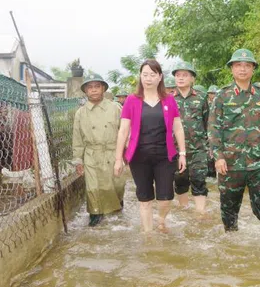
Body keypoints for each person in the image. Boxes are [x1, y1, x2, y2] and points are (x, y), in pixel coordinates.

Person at [208, 49, 260, 232]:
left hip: (259, 161)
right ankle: (232, 241)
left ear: (253, 69)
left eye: (247, 66)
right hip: (230, 163)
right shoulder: (222, 96)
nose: (242, 69)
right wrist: (218, 157)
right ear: (232, 68)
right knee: (229, 208)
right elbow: (213, 129)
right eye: (238, 65)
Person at [114, 59, 187, 233]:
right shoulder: (132, 100)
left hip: (165, 156)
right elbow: (123, 130)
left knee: (165, 198)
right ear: (140, 77)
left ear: (159, 77)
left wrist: (182, 153)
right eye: (145, 74)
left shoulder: (169, 100)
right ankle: (148, 234)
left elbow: (178, 127)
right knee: (144, 199)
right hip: (139, 156)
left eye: (152, 75)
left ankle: (161, 220)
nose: (148, 78)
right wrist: (118, 159)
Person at [73, 74, 125, 227]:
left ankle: (118, 202)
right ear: (85, 91)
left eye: (97, 86)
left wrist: (125, 153)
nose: (94, 90)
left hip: (112, 152)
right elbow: (77, 138)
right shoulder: (81, 113)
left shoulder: (116, 108)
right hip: (91, 154)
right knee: (93, 186)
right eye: (90, 87)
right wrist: (78, 160)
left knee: (117, 184)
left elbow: (125, 131)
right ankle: (95, 212)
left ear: (103, 89)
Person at [172, 62, 209, 214]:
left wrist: (210, 147)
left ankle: (200, 214)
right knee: (180, 182)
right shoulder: (169, 99)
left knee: (199, 181)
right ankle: (184, 211)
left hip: (198, 148)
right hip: (175, 149)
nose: (180, 78)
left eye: (185, 75)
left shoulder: (201, 98)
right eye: (178, 75)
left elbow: (208, 123)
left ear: (192, 78)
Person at [206, 85, 219, 178]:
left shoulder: (220, 103)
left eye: (214, 93)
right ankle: (210, 175)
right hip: (207, 132)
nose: (212, 95)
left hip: (217, 132)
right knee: (209, 156)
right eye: (211, 93)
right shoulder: (205, 104)